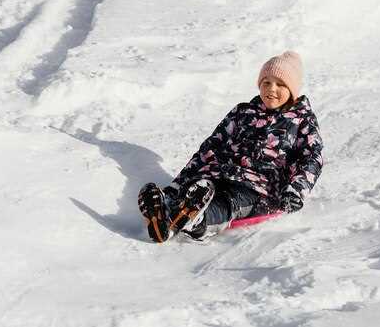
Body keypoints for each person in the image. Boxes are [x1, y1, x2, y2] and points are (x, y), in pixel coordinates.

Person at [138, 51, 324, 242]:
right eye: (266, 82)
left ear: (293, 90)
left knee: (229, 202)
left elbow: (311, 158)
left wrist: (295, 191)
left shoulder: (302, 121)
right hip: (220, 173)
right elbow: (210, 147)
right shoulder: (242, 111)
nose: (271, 89)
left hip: (259, 187)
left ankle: (199, 221)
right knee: (197, 189)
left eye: (280, 84)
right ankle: (167, 213)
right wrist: (178, 184)